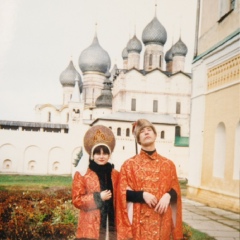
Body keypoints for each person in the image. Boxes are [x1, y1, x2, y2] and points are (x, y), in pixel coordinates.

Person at [116, 119, 183, 240]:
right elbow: (122, 194)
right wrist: (142, 195)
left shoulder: (168, 164)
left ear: (155, 135)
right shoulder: (129, 165)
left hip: (162, 222)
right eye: (142, 131)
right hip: (139, 224)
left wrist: (168, 195)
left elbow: (176, 191)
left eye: (149, 130)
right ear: (138, 139)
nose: (146, 132)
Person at [72, 125, 119, 240]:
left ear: (109, 155)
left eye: (105, 153)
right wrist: (98, 197)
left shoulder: (116, 175)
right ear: (92, 155)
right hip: (90, 226)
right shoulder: (83, 174)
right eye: (98, 153)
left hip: (112, 225)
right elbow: (77, 200)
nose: (101, 156)